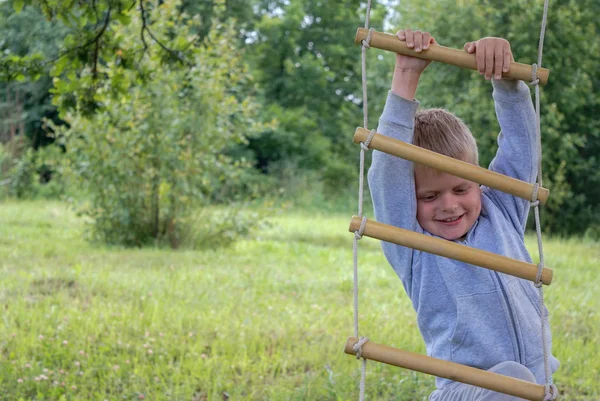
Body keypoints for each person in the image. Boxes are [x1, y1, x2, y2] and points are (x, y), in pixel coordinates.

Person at [367, 29, 560, 400]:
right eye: (430, 195)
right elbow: (389, 170)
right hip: (466, 391)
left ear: (479, 182)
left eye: (461, 188)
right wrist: (406, 74)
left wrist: (506, 81)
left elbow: (522, 147)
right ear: (408, 199)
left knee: (519, 381)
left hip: (535, 388)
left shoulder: (499, 210)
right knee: (511, 379)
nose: (450, 205)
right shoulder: (412, 244)